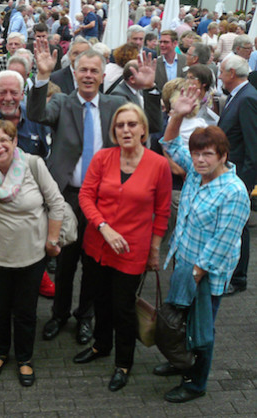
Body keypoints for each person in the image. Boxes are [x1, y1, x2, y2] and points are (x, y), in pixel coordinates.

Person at [28, 40, 127, 345]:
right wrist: (42, 78)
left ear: (102, 76)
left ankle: (85, 317)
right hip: (68, 197)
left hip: (102, 198)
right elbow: (36, 113)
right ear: (74, 71)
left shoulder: (114, 106)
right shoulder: (63, 103)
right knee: (65, 262)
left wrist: (149, 91)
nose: (87, 75)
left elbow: (145, 127)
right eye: (82, 69)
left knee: (94, 264)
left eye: (93, 70)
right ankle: (59, 315)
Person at [156, 86, 250, 403]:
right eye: (196, 153)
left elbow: (223, 242)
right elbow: (168, 142)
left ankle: (196, 383)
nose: (199, 159)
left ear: (223, 155)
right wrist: (178, 114)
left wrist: (194, 276)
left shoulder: (233, 191)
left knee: (200, 330)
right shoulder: (197, 174)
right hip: (184, 263)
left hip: (205, 273)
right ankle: (178, 360)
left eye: (207, 154)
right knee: (178, 322)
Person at [73, 103, 171, 391]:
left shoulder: (158, 164)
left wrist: (154, 250)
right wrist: (104, 227)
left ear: (143, 128)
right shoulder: (103, 157)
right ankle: (100, 346)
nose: (126, 130)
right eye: (120, 125)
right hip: (97, 246)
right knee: (99, 301)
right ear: (113, 131)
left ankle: (123, 363)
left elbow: (162, 212)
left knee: (123, 309)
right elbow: (86, 197)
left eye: (131, 124)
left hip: (132, 251)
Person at [0, 119, 63, 387]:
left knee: (25, 312)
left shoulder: (33, 164)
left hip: (31, 255)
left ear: (14, 141)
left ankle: (24, 358)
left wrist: (52, 240)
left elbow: (56, 204)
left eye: (3, 140)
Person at [217, 54, 257, 295]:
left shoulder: (247, 99)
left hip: (239, 178)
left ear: (232, 73)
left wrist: (244, 185)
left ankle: (238, 278)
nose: (219, 76)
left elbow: (253, 147)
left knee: (239, 228)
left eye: (222, 72)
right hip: (230, 176)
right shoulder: (239, 96)